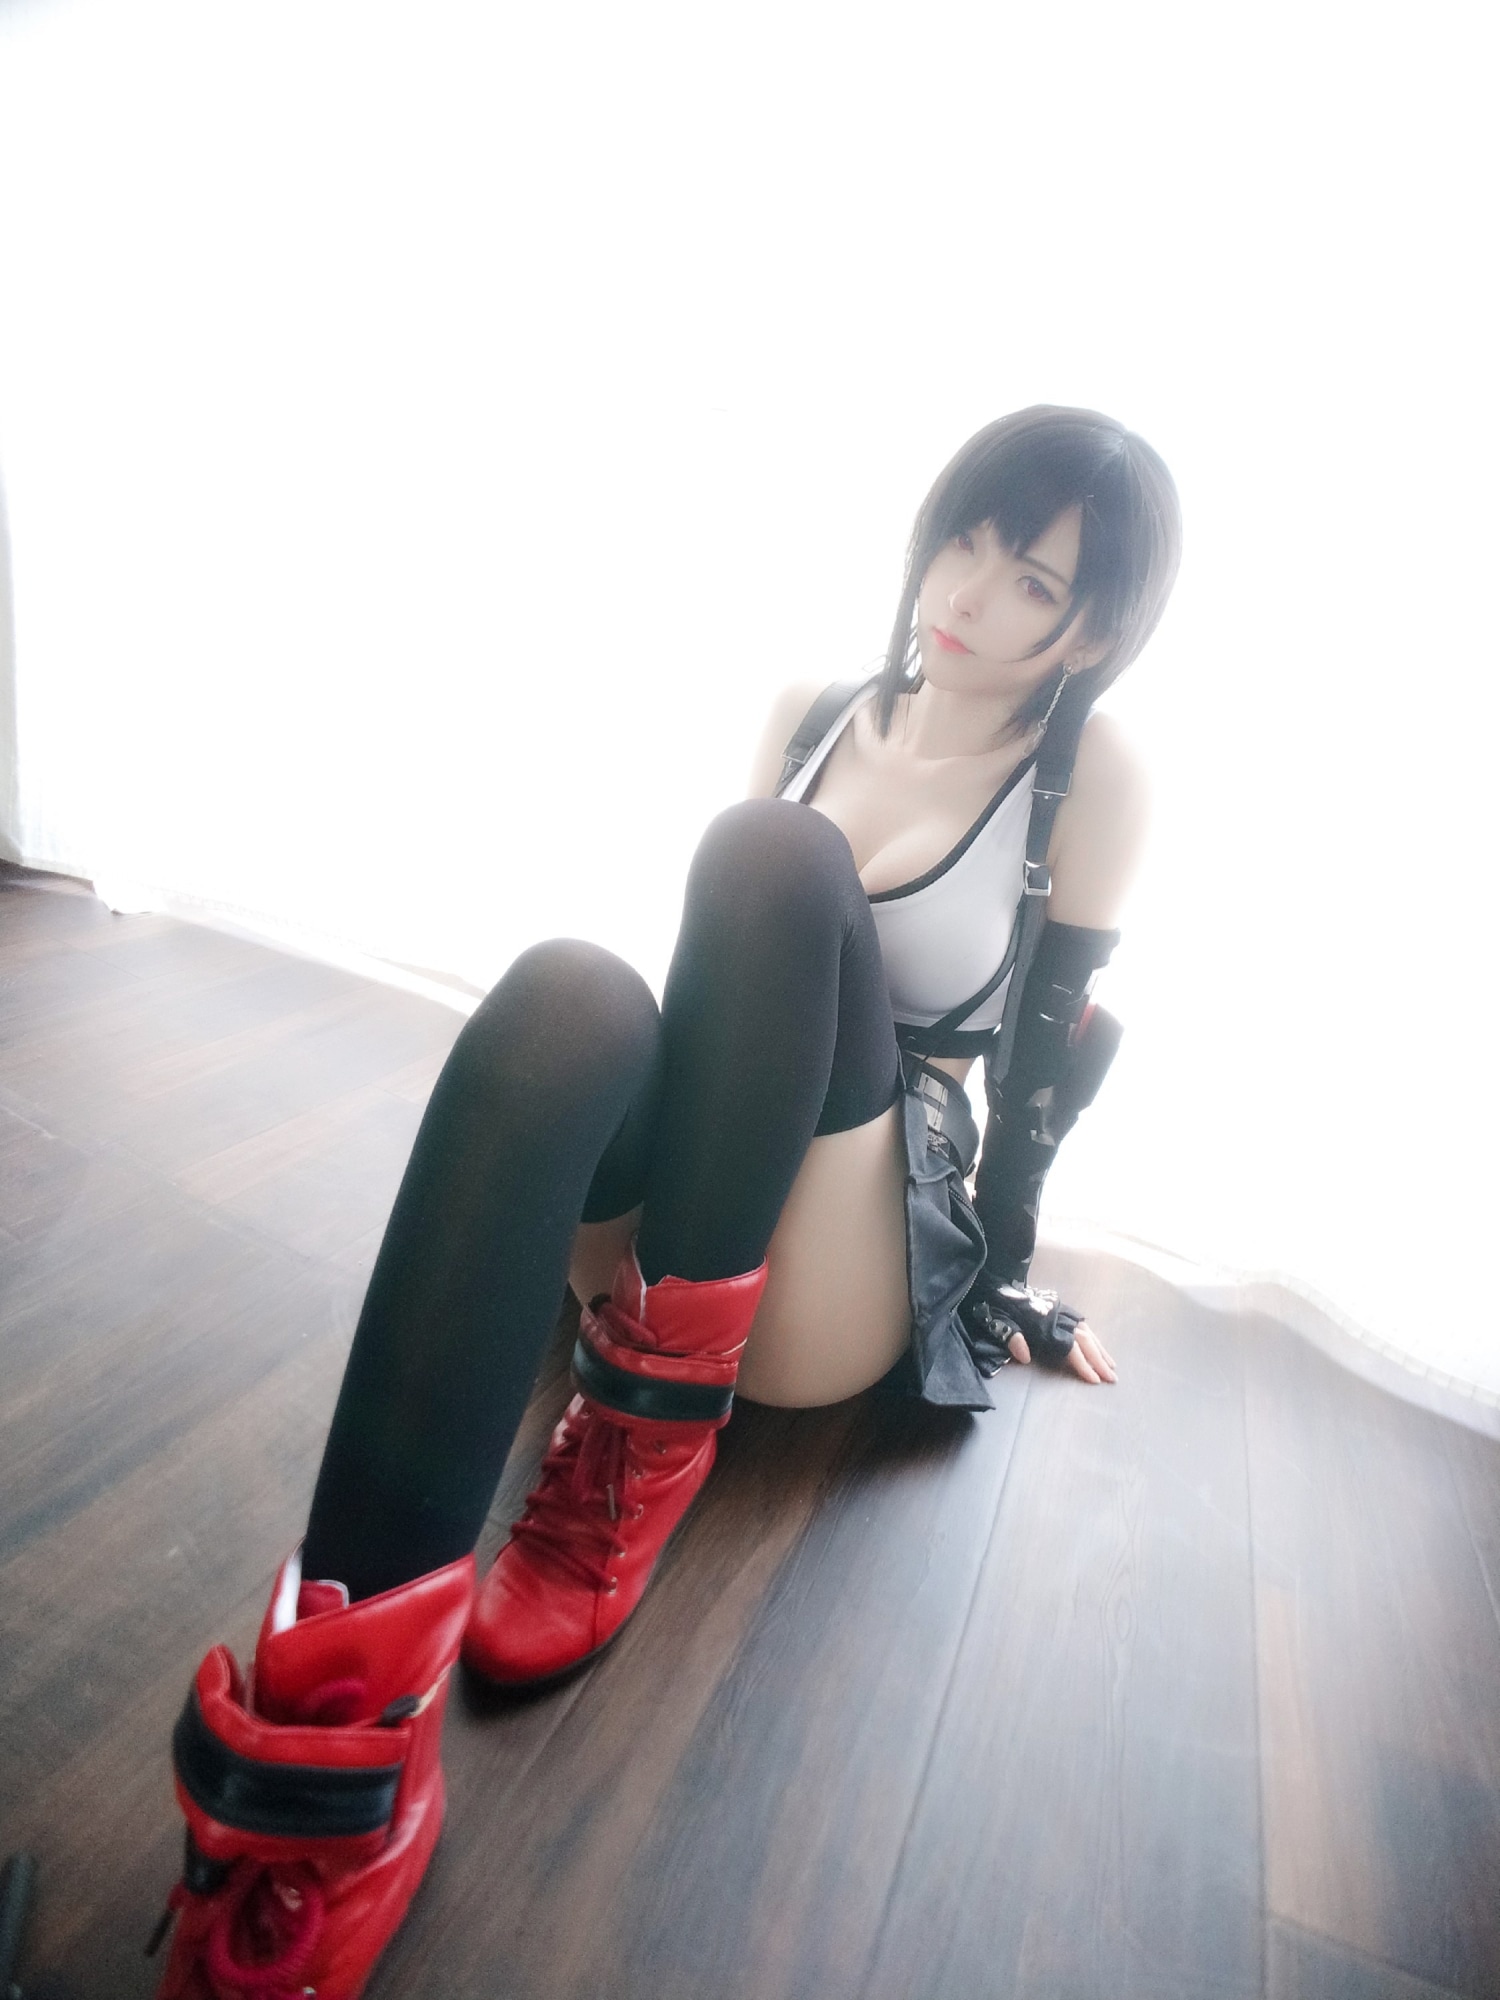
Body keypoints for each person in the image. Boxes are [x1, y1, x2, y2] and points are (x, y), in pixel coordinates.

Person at [149, 405, 1182, 1998]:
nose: (968, 593)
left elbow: (1041, 1071)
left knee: (775, 857)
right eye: (966, 539)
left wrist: (1007, 1280)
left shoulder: (1087, 778)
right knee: (567, 995)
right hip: (700, 1200)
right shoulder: (812, 709)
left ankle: (637, 1448)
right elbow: (725, 1004)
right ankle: (333, 1746)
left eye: (1032, 582)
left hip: (840, 1254)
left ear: (1096, 630)